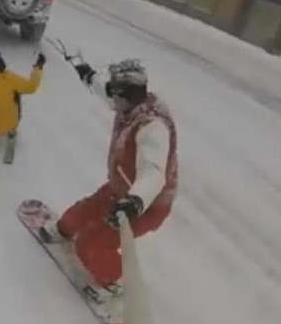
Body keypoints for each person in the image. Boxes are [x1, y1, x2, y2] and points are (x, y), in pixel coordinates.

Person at [39, 58, 178, 299]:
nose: (111, 99)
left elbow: (154, 172)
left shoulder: (152, 127)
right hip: (121, 188)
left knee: (92, 244)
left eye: (115, 93)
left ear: (125, 94)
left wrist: (134, 202)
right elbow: (106, 94)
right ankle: (64, 230)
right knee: (82, 213)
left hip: (146, 204)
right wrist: (88, 76)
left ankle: (114, 282)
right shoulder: (131, 104)